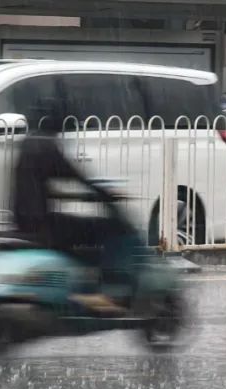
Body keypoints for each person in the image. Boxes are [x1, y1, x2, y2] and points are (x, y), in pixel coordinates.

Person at [9, 100, 135, 314]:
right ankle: (105, 290)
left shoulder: (28, 144)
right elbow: (76, 175)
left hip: (24, 221)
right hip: (43, 225)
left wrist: (69, 194)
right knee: (105, 228)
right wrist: (104, 194)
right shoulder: (47, 147)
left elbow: (38, 183)